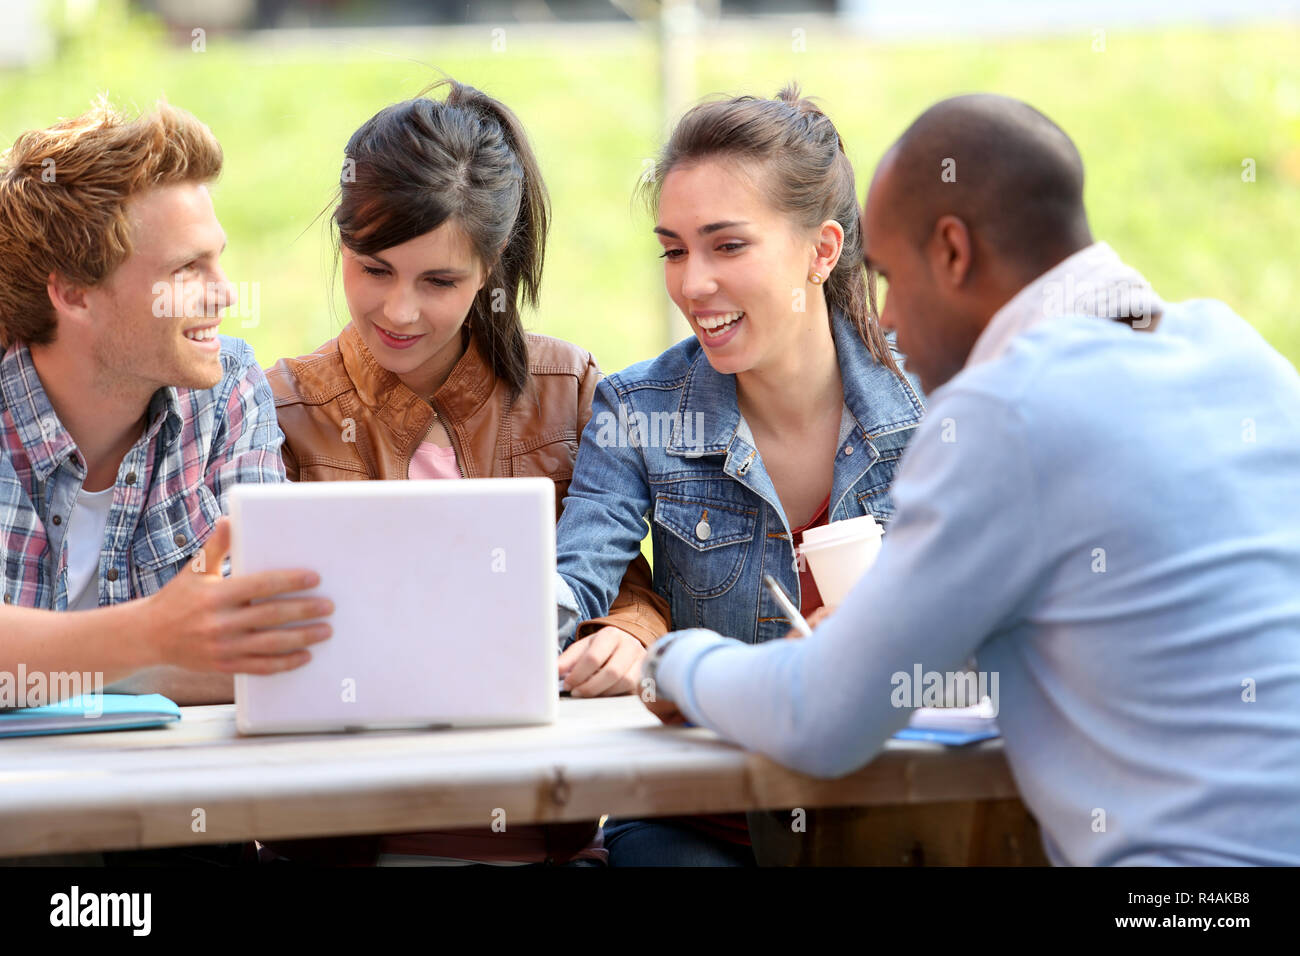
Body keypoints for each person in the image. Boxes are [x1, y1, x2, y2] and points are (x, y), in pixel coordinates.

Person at [641, 94, 1300, 866]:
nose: (884, 323)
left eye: (886, 275)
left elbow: (820, 716)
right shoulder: (1244, 354)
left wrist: (673, 664)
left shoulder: (1007, 411)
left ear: (952, 252)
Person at [261, 80, 670, 866]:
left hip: (540, 834)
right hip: (340, 841)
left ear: (490, 270)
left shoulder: (565, 389)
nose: (399, 311)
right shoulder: (283, 405)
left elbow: (625, 579)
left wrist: (629, 635)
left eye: (438, 282)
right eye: (372, 269)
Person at [553, 85, 925, 865]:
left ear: (821, 252)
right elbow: (574, 580)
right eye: (674, 249)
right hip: (701, 822)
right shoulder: (639, 409)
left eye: (727, 246)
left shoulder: (934, 409)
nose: (692, 284)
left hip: (894, 816)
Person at [0, 100, 331, 708]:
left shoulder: (227, 391)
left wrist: (47, 663)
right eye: (187, 268)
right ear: (74, 294)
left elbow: (269, 647)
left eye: (218, 258)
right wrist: (154, 635)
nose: (226, 293)